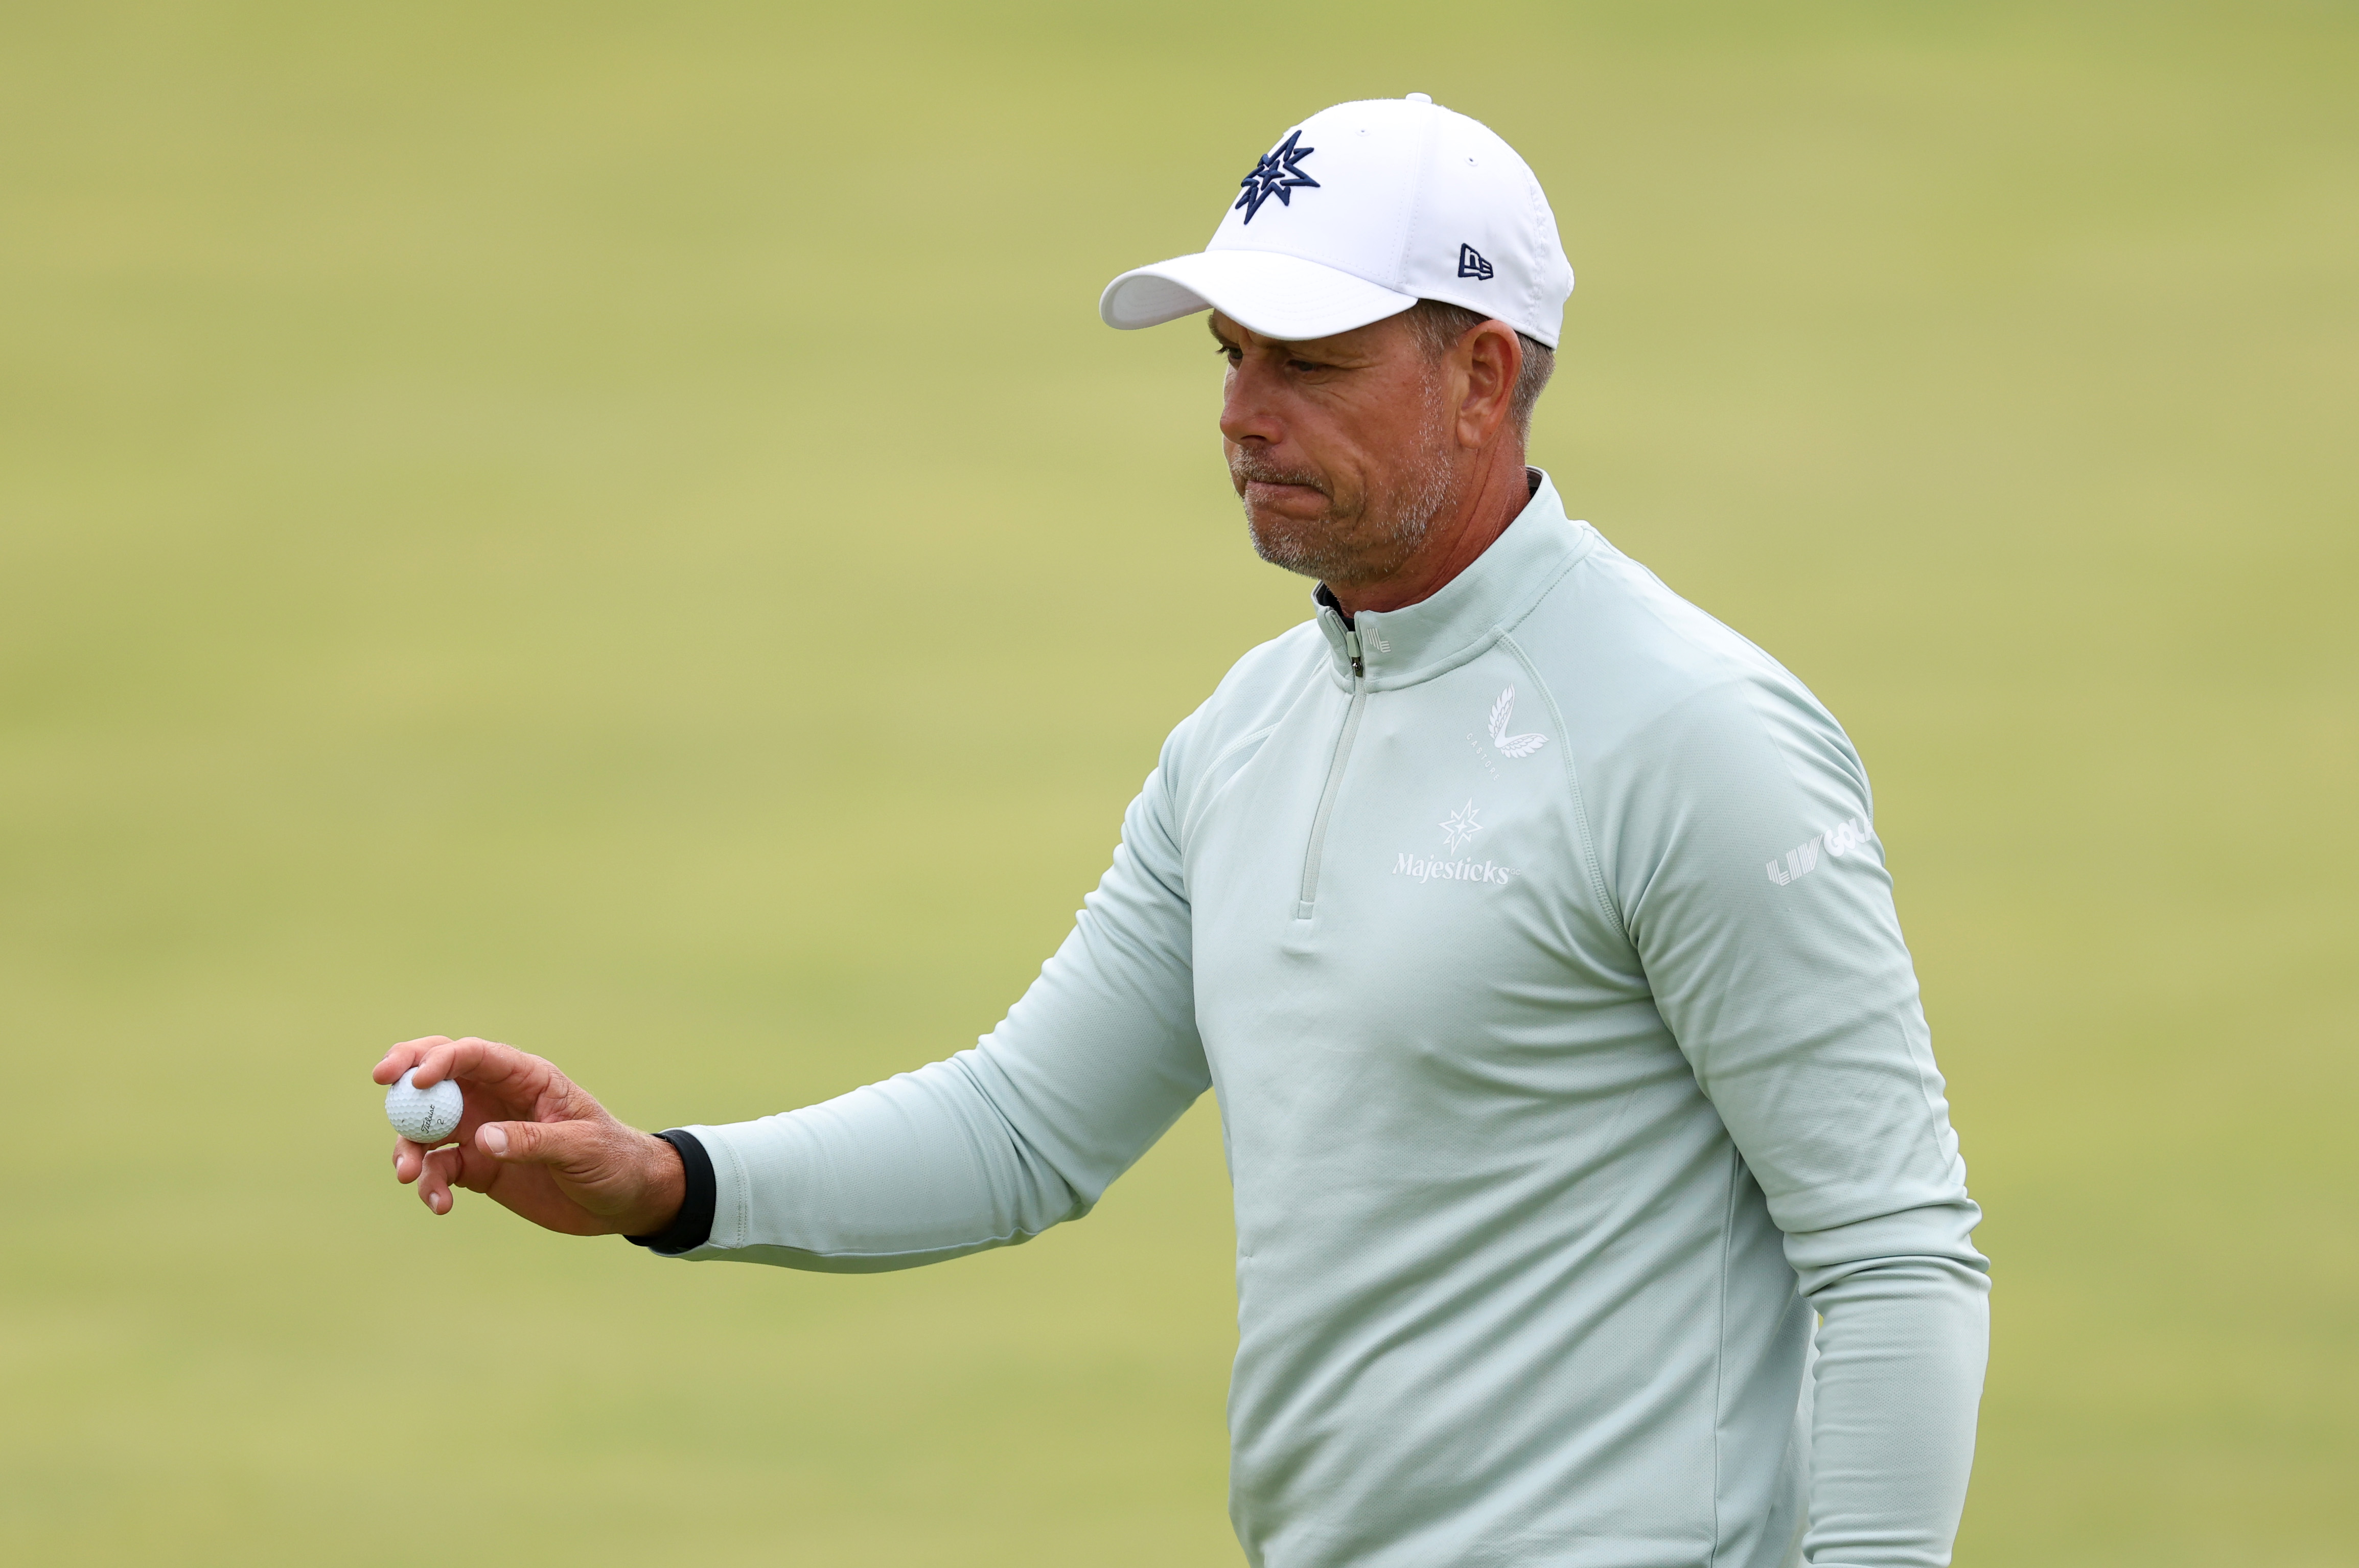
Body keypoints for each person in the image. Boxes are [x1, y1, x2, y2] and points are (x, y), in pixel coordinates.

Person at [373, 94, 1988, 1568]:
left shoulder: (1690, 732)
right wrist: (663, 1177)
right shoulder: (1245, 738)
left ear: (1483, 371)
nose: (1242, 414)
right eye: (1230, 356)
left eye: (1310, 362)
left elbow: (1894, 1253)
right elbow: (1024, 1127)